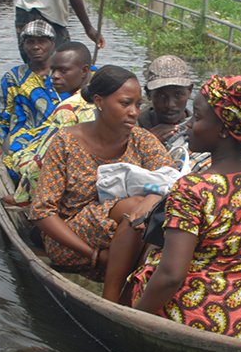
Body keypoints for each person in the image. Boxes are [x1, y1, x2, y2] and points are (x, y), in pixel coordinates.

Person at [123, 75, 241, 346]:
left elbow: (171, 277)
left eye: (198, 118)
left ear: (226, 129)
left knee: (150, 264)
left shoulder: (193, 189)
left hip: (198, 318)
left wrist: (131, 320)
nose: (187, 125)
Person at [29, 65, 174, 282]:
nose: (134, 112)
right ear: (99, 102)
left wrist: (153, 197)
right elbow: (42, 212)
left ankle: (135, 286)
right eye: (125, 103)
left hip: (130, 236)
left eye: (138, 105)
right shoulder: (65, 142)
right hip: (71, 242)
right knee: (132, 205)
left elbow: (172, 179)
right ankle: (116, 296)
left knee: (153, 210)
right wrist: (96, 255)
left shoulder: (142, 140)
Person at [4, 41, 95, 206]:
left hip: (73, 180)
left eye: (63, 70)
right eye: (53, 70)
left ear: (84, 71)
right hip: (94, 174)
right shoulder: (102, 97)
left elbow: (42, 162)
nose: (54, 76)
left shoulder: (68, 108)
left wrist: (22, 197)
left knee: (18, 157)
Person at [0, 21, 63, 176]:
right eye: (30, 42)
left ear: (52, 44)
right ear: (24, 46)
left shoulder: (65, 74)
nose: (35, 47)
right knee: (26, 167)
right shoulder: (13, 78)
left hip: (62, 137)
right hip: (27, 141)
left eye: (41, 41)